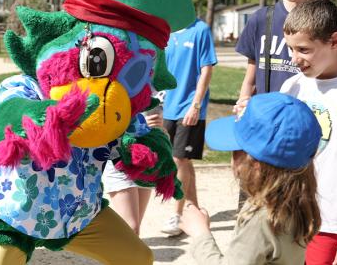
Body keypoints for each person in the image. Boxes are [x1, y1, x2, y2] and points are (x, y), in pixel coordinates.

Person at [233, 0, 337, 209]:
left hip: (304, 148)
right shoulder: (261, 18)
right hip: (263, 140)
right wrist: (243, 101)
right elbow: (251, 72)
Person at [180, 92, 322, 264]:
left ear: (254, 164)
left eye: (234, 150)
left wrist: (200, 233)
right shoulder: (297, 201)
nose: (232, 158)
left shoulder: (262, 217)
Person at [280, 0, 337, 265]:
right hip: (291, 218)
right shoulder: (292, 87)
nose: (295, 59)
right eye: (290, 49)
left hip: (334, 226)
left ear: (335, 41)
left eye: (303, 49)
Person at [161, 18, 217, 236]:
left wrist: (196, 105)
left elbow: (206, 70)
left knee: (179, 160)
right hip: (167, 107)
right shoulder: (167, 30)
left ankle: (177, 215)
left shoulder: (200, 29)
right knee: (182, 160)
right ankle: (194, 209)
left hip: (189, 107)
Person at [102, 98, 164, 235]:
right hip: (119, 158)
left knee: (134, 230)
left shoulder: (148, 82)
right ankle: (115, 254)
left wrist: (159, 124)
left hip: (146, 160)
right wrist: (140, 125)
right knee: (131, 227)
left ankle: (122, 255)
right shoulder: (111, 82)